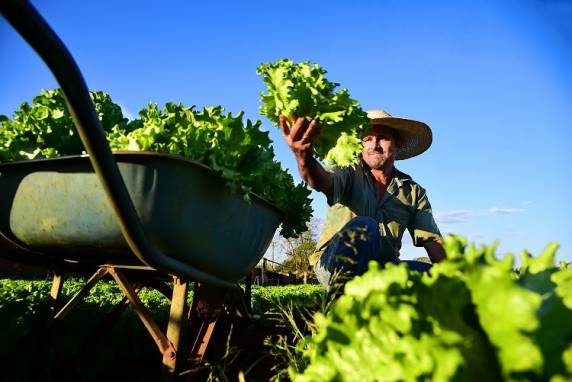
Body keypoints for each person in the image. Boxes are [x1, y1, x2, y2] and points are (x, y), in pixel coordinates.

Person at [279, 109, 446, 289]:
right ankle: (342, 301)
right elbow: (322, 182)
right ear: (359, 145)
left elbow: (432, 241)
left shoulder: (412, 191)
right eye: (367, 139)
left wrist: (454, 278)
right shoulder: (348, 171)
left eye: (382, 138)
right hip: (334, 263)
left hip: (381, 270)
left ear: (397, 144)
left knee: (430, 275)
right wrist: (304, 157)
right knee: (366, 226)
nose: (374, 145)